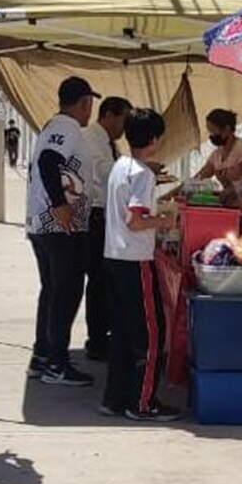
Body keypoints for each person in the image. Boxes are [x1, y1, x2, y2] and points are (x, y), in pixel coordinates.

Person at [100, 109, 184, 421]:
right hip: (135, 260)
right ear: (154, 140)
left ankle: (115, 398)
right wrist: (165, 219)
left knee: (122, 333)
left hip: (114, 256)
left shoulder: (120, 166)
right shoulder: (143, 175)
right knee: (150, 336)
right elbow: (135, 221)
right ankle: (143, 401)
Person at [25, 76, 99, 387]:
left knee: (53, 290)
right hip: (58, 227)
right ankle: (57, 362)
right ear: (84, 103)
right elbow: (48, 162)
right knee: (66, 291)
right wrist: (59, 204)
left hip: (48, 226)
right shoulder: (65, 128)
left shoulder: (55, 127)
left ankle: (43, 355)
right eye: (89, 104)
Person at [82, 96, 133, 361]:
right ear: (110, 115)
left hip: (106, 215)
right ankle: (98, 339)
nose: (125, 127)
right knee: (100, 281)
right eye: (124, 119)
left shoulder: (106, 141)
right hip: (96, 215)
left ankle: (103, 335)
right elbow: (103, 172)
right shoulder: (92, 138)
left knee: (104, 281)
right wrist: (137, 171)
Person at [194, 108, 242, 200]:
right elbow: (199, 177)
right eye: (210, 132)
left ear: (227, 129)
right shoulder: (217, 155)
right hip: (230, 203)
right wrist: (175, 192)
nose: (211, 136)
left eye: (213, 132)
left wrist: (228, 191)